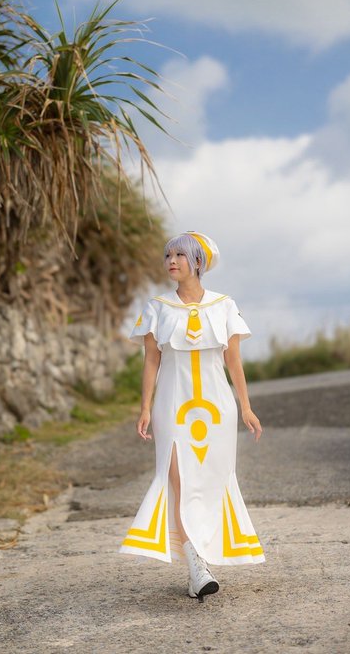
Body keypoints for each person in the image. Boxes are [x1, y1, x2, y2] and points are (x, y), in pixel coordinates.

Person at [119, 231, 265, 602]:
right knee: (179, 480)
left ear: (198, 262)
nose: (171, 261)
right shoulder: (157, 307)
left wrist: (246, 407)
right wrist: (145, 407)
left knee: (214, 479)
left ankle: (204, 555)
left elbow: (234, 361)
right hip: (172, 404)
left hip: (218, 407)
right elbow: (151, 361)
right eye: (168, 255)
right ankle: (196, 566)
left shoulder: (224, 305)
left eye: (179, 255)